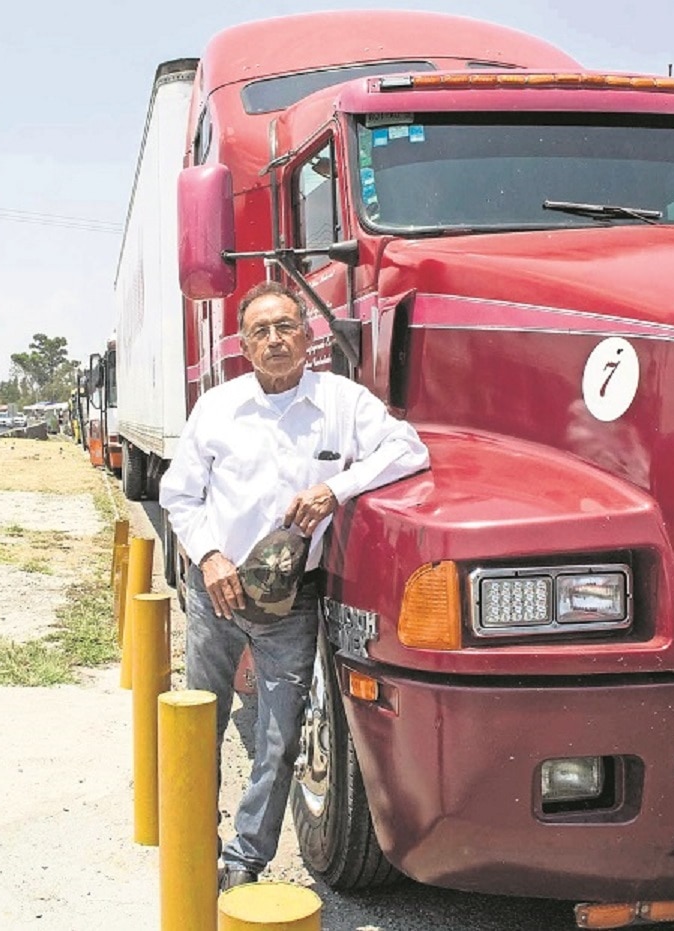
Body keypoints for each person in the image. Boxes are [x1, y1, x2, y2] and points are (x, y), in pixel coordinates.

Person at [159, 280, 430, 892]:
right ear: (243, 346)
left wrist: (337, 488)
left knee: (281, 734)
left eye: (286, 327)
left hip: (290, 601)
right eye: (260, 331)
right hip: (217, 590)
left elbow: (407, 448)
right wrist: (207, 557)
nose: (275, 340)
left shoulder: (341, 401)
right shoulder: (218, 408)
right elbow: (179, 494)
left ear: (309, 336)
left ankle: (246, 858)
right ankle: (194, 832)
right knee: (203, 718)